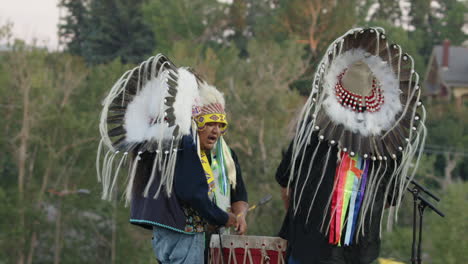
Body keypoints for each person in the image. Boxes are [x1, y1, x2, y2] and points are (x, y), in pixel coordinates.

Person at [274, 27, 427, 264]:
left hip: (309, 246)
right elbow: (388, 199)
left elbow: (286, 183)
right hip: (356, 251)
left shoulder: (313, 129)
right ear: (376, 96)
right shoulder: (388, 144)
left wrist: (305, 215)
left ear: (337, 87)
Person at [97, 55, 248, 264]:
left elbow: (235, 191)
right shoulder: (182, 142)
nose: (216, 130)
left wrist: (237, 215)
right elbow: (191, 191)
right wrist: (222, 217)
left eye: (221, 125)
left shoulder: (159, 140)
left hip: (166, 233)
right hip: (183, 231)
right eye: (210, 123)